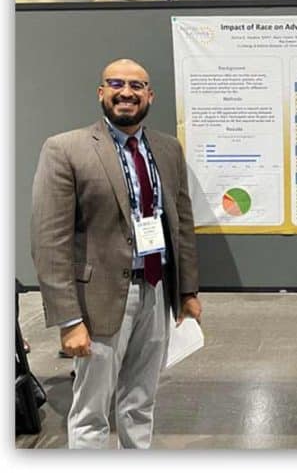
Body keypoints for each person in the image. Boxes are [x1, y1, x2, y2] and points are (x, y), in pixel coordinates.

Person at [31, 58, 201, 448]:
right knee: (91, 411)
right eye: (116, 84)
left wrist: (187, 291)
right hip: (99, 301)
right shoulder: (65, 149)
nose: (127, 92)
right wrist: (68, 319)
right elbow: (49, 240)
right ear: (101, 92)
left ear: (150, 95)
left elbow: (181, 223)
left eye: (137, 86)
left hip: (157, 292)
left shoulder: (167, 149)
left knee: (141, 401)